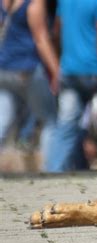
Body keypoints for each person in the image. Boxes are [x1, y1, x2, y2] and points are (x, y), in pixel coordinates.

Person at [50, 0, 97, 172]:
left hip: (69, 70)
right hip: (95, 72)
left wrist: (58, 64)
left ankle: (53, 172)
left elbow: (57, 31)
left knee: (66, 126)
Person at [0, 0, 59, 169]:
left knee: (2, 122)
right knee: (50, 121)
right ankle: (51, 171)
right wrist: (56, 71)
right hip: (26, 69)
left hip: (4, 69)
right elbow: (41, 39)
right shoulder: (34, 3)